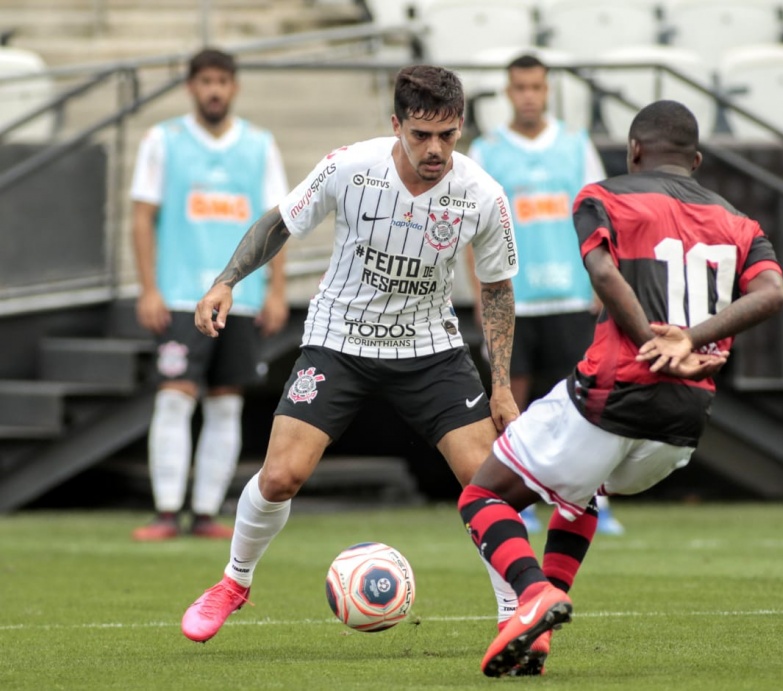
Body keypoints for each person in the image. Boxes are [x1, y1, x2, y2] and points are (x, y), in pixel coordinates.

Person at [179, 64, 524, 643]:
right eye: (420, 135)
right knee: (282, 476)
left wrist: (503, 384)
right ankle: (234, 582)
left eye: (447, 134)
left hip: (431, 349)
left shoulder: (482, 195)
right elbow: (280, 223)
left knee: (486, 481)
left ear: (460, 126)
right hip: (340, 339)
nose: (435, 149)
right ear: (396, 124)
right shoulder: (349, 167)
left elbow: (496, 289)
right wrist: (226, 281)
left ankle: (515, 615)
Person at [457, 100, 783, 677]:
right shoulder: (741, 223)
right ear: (698, 159)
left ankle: (533, 593)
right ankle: (537, 637)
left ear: (634, 151)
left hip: (614, 396)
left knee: (482, 497)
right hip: (684, 424)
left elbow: (604, 272)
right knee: (577, 494)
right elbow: (773, 294)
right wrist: (691, 340)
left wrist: (653, 342)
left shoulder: (603, 196)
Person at [129, 48, 290, 541]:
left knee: (226, 404)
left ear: (234, 86)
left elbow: (278, 222)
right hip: (180, 295)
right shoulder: (164, 140)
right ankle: (165, 510)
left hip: (240, 298)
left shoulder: (260, 145)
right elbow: (141, 217)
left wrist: (277, 291)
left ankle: (204, 512)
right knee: (175, 399)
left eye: (222, 80)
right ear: (191, 87)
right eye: (206, 81)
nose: (214, 90)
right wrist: (149, 289)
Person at [466, 53, 624, 536]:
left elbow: (600, 217)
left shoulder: (576, 147)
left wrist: (604, 281)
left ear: (547, 89)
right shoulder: (486, 153)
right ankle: (520, 499)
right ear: (508, 92)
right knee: (510, 399)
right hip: (514, 299)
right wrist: (479, 292)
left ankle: (588, 500)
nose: (529, 96)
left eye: (536, 87)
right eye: (520, 88)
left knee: (583, 402)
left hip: (572, 296)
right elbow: (474, 231)